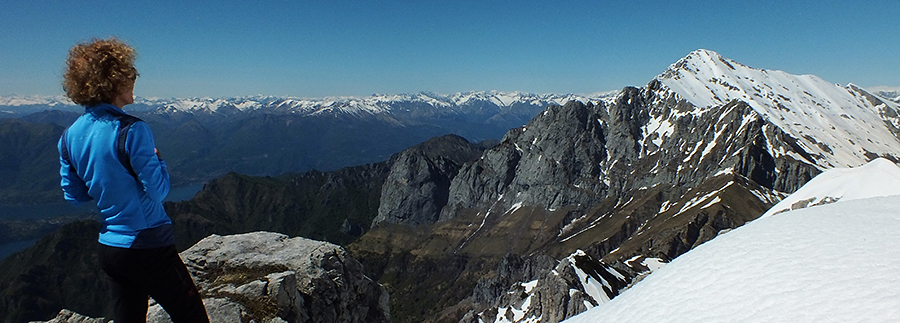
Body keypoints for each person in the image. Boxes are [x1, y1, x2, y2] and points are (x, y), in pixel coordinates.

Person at [58, 38, 209, 323]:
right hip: (148, 245)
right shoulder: (132, 129)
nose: (133, 80)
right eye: (128, 74)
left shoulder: (69, 136)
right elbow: (158, 191)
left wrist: (108, 182)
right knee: (192, 316)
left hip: (111, 251)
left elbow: (74, 195)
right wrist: (159, 160)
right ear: (112, 81)